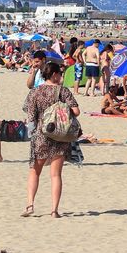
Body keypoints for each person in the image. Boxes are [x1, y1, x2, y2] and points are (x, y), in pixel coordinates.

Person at [22, 61, 81, 217]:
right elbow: (76, 111)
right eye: (60, 73)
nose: (61, 76)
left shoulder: (35, 92)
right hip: (60, 135)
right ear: (54, 74)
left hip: (41, 134)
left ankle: (30, 205)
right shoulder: (63, 91)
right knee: (56, 174)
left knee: (35, 171)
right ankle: (54, 210)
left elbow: (30, 115)